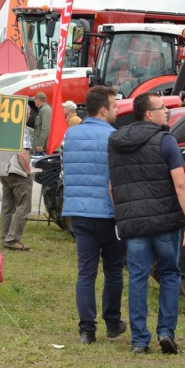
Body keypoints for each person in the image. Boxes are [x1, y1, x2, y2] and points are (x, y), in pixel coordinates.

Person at [108, 92, 185, 355]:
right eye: (162, 107)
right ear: (149, 113)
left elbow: (113, 187)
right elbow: (181, 184)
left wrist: (124, 213)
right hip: (165, 222)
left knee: (138, 277)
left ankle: (139, 340)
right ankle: (166, 332)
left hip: (133, 223)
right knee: (169, 274)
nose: (167, 111)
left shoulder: (115, 142)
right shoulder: (165, 141)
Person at [63, 86, 126, 345]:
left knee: (86, 272)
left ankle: (87, 329)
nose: (116, 110)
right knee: (113, 271)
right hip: (109, 214)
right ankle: (112, 323)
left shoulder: (71, 134)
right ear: (103, 109)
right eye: (114, 106)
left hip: (79, 211)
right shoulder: (114, 137)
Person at [0, 124, 33, 251]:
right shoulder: (21, 128)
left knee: (7, 207)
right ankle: (12, 239)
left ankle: (5, 237)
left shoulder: (2, 127)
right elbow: (23, 153)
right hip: (18, 172)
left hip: (3, 171)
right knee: (23, 207)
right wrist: (28, 172)